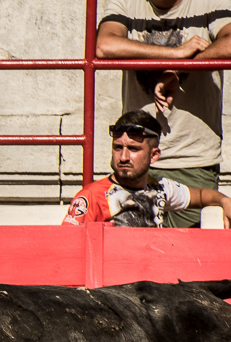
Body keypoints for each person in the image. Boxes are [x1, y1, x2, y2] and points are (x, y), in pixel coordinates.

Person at [97, 0, 231, 228]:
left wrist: (179, 69)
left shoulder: (208, 3)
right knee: (136, 253)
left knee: (187, 255)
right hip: (138, 157)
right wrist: (176, 53)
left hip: (192, 159)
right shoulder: (127, 3)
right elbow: (104, 46)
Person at [63, 111, 231, 227]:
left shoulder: (160, 188)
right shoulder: (91, 197)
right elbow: (67, 247)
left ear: (154, 156)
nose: (123, 157)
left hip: (153, 275)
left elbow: (201, 196)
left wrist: (224, 200)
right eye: (117, 147)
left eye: (133, 149)